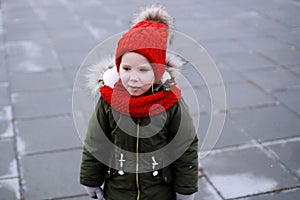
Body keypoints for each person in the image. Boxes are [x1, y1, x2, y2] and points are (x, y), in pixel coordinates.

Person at [80, 5, 198, 200]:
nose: (133, 78)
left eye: (143, 70)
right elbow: (96, 141)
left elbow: (184, 145)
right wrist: (90, 179)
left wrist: (185, 189)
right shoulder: (109, 100)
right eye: (126, 69)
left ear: (158, 71)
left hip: (159, 191)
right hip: (118, 191)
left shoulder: (170, 102)